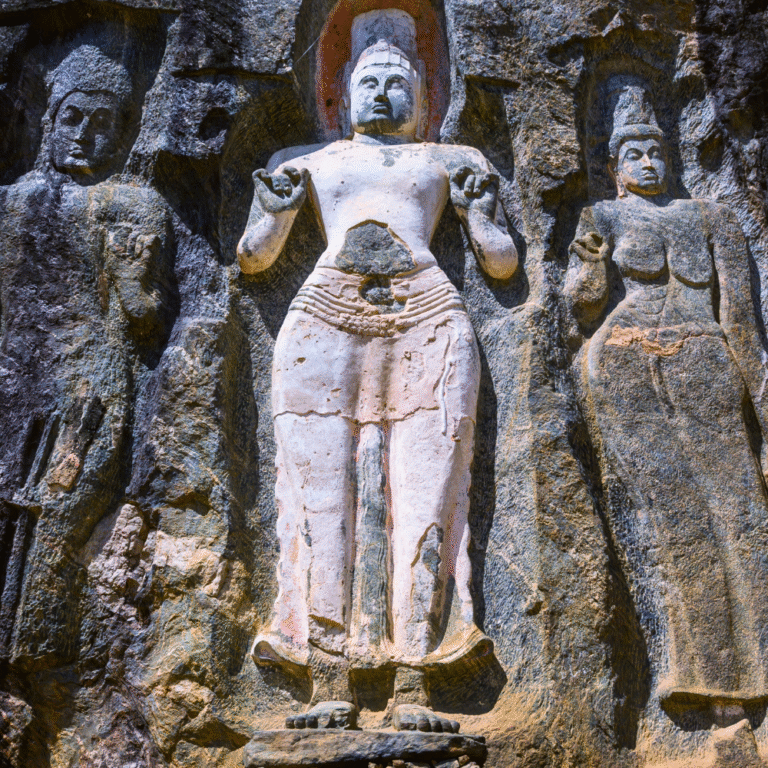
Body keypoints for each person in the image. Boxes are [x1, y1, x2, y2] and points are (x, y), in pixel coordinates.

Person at [238, 9, 518, 731]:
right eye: (369, 81)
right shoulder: (311, 161)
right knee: (318, 494)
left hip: (428, 322)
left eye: (400, 82)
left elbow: (501, 261)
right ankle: (328, 672)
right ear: (337, 96)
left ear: (426, 94)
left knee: (426, 493)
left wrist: (482, 213)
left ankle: (414, 678)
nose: (384, 95)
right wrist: (269, 211)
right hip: (324, 323)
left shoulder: (448, 159)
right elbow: (254, 258)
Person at [565, 79, 768, 724]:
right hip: (625, 365)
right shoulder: (601, 216)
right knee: (674, 519)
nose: (649, 163)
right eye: (634, 154)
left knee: (741, 509)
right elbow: (582, 306)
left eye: (657, 152)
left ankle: (759, 666)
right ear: (616, 168)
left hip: (707, 362)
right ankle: (701, 676)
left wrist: (763, 406)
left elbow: (741, 320)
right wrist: (589, 267)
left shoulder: (711, 218)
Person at [0, 45, 171, 668]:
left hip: (89, 388)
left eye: (105, 126)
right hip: (12, 378)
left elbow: (146, 317)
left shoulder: (132, 205)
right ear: (49, 121)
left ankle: (36, 655)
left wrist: (132, 278)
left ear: (125, 135)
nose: (86, 137)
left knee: (58, 518)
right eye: (74, 119)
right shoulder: (10, 203)